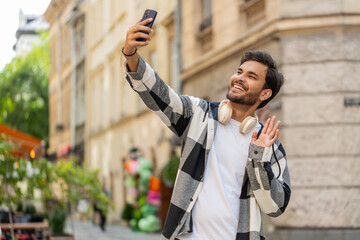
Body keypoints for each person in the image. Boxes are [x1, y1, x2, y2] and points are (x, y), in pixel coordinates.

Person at [122, 18, 291, 240]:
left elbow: (275, 207)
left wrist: (259, 160)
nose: (239, 78)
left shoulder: (269, 143)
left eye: (251, 77)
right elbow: (160, 94)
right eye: (239, 72)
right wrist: (131, 55)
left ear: (265, 94)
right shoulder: (199, 114)